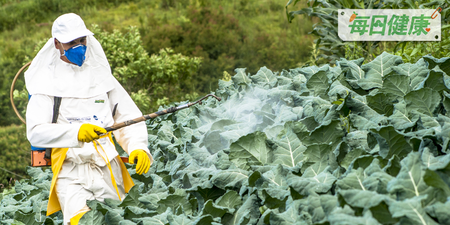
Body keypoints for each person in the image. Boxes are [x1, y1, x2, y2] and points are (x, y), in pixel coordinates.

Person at [25, 13, 153, 225]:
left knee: (116, 220)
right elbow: (36, 131)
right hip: (72, 170)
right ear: (57, 44)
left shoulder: (100, 75)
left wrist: (137, 146)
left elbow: (128, 114)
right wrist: (76, 133)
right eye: (71, 42)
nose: (79, 46)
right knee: (81, 221)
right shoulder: (45, 83)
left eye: (82, 40)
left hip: (108, 167)